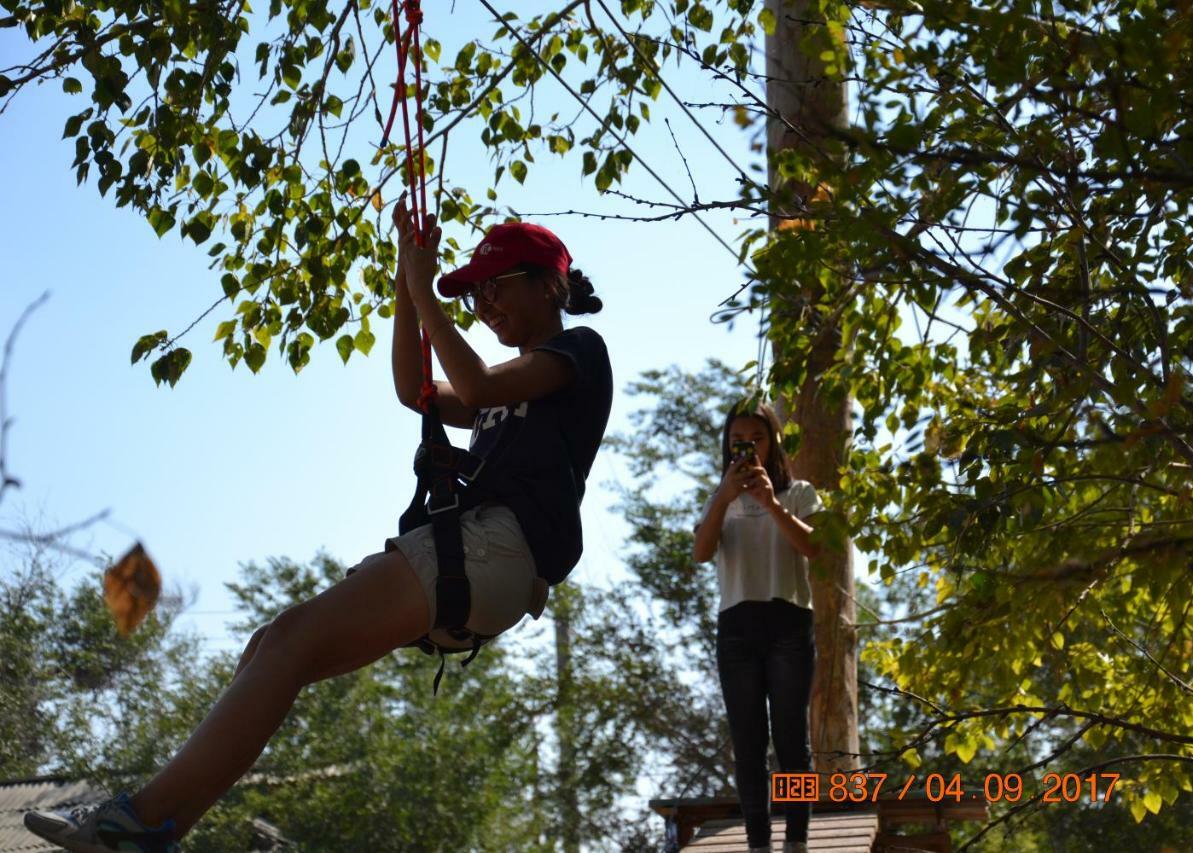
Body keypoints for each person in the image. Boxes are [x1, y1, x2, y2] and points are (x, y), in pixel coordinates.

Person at [24, 201, 612, 852]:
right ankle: (156, 826)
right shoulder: (507, 385)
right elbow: (416, 388)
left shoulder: (577, 351)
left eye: (493, 286)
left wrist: (426, 288)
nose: (484, 304)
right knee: (273, 646)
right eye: (473, 295)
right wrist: (404, 278)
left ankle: (130, 826)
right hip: (474, 555)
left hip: (498, 550)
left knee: (291, 639)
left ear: (550, 283)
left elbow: (469, 386)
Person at [693, 401, 822, 853]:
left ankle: (798, 841)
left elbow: (815, 548)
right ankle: (758, 844)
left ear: (774, 442)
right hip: (737, 626)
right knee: (748, 743)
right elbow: (701, 552)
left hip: (789, 619)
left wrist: (770, 503)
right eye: (737, 441)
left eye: (756, 439)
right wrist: (726, 497)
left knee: (792, 740)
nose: (746, 448)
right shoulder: (719, 499)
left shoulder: (800, 493)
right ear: (727, 447)